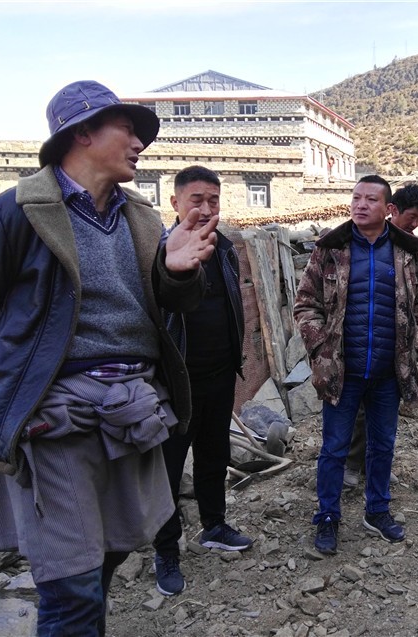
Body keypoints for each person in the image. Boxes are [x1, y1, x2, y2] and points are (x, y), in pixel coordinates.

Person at [0, 80, 218, 636]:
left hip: (132, 410)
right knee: (71, 588)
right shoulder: (10, 216)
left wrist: (177, 274)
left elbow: (169, 304)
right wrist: (13, 402)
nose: (140, 142)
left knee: (110, 558)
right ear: (83, 133)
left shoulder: (141, 218)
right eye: (128, 129)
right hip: (55, 422)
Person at [294, 175, 418, 555]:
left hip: (389, 373)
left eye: (370, 199)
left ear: (387, 209)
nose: (360, 204)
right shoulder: (330, 248)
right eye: (356, 197)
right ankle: (327, 516)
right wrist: (321, 346)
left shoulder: (408, 252)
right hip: (343, 372)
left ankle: (377, 511)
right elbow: (305, 303)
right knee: (334, 448)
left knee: (382, 445)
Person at [152, 166, 252, 596]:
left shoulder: (225, 249)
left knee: (214, 456)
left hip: (220, 376)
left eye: (214, 199)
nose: (207, 208)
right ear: (175, 203)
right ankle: (165, 550)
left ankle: (214, 525)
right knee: (168, 470)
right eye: (197, 200)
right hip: (177, 384)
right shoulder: (159, 253)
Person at [343, 183, 418, 489]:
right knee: (359, 411)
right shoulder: (355, 243)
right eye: (412, 216)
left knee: (385, 413)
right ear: (392, 210)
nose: (415, 223)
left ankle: (377, 467)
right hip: (360, 345)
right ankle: (352, 464)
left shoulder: (411, 251)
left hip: (395, 349)